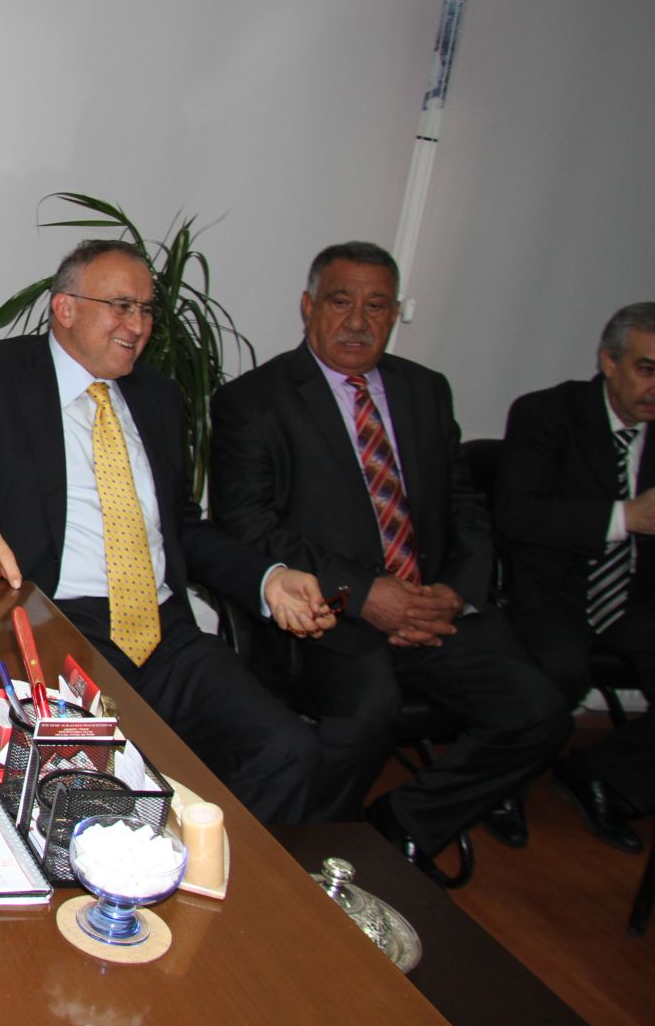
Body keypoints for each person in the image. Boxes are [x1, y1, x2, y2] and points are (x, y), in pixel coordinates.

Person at [0, 239, 333, 824]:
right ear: (65, 308)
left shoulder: (158, 396)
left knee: (289, 750)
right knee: (103, 783)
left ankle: (209, 873)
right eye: (121, 306)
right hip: (56, 623)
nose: (137, 326)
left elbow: (180, 528)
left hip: (164, 631)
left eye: (146, 310)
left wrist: (267, 579)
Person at [210, 241, 568, 879]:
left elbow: (465, 505)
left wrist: (454, 592)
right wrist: (367, 595)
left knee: (539, 710)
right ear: (308, 306)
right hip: (329, 614)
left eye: (376, 306)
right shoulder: (255, 401)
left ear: (395, 314)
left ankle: (399, 828)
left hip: (430, 609)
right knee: (364, 715)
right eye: (340, 302)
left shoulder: (424, 390)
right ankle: (306, 861)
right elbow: (249, 527)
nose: (357, 321)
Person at [496, 302, 655, 852]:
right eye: (647, 369)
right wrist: (629, 517)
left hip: (638, 592)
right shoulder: (546, 414)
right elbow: (518, 515)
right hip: (555, 586)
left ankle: (602, 773)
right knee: (555, 672)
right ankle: (499, 787)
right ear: (609, 362)